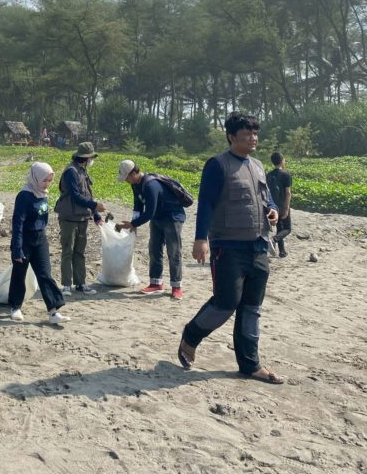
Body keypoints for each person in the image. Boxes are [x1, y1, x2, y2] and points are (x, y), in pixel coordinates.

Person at [178, 112, 284, 384]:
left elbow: (267, 197)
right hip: (228, 247)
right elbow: (207, 204)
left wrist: (272, 210)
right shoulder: (217, 165)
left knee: (251, 308)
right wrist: (200, 239)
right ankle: (191, 335)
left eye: (255, 133)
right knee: (226, 303)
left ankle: (250, 364)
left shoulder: (258, 165)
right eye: (247, 134)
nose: (253, 138)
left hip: (258, 246)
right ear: (231, 137)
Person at [116, 159, 188, 299]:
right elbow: (137, 204)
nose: (126, 181)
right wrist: (134, 222)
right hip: (157, 218)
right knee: (154, 249)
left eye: (127, 177)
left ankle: (176, 286)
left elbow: (149, 213)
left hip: (172, 217)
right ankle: (156, 283)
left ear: (134, 173)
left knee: (174, 252)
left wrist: (133, 224)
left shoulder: (150, 185)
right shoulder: (135, 184)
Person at [9, 162, 70, 324]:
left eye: (50, 180)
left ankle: (53, 311)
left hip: (40, 239)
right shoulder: (24, 196)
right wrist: (17, 248)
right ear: (36, 178)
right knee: (19, 274)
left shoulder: (43, 194)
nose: (47, 184)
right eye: (45, 180)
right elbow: (17, 224)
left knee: (45, 274)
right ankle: (15, 307)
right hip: (24, 240)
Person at [55, 141, 106, 296]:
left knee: (80, 252)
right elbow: (75, 196)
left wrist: (96, 215)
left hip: (83, 218)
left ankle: (81, 283)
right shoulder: (71, 171)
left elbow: (87, 194)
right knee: (67, 251)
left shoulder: (82, 171)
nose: (91, 160)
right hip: (69, 218)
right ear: (85, 158)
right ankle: (66, 285)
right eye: (90, 157)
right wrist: (94, 205)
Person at [267, 152, 292, 258]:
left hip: (272, 205)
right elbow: (288, 193)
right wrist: (286, 208)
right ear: (282, 160)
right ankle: (274, 240)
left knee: (279, 228)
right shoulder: (286, 175)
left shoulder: (268, 175)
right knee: (287, 228)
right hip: (282, 205)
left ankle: (282, 251)